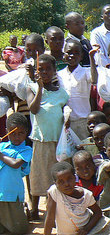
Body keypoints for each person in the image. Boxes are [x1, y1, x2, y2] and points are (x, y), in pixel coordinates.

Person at [26, 54, 69, 220]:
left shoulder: (62, 93)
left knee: (55, 176)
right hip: (41, 139)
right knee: (37, 175)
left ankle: (55, 210)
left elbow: (64, 111)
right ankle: (34, 209)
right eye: (40, 69)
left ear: (54, 71)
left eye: (48, 69)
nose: (44, 72)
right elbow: (34, 109)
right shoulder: (32, 88)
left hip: (57, 141)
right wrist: (40, 87)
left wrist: (67, 118)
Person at [44, 161, 110, 234]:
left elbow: (98, 212)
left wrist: (86, 229)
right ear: (55, 183)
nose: (66, 184)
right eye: (61, 181)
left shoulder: (86, 194)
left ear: (75, 178)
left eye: (69, 179)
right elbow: (50, 219)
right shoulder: (54, 192)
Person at [58, 40, 99, 140]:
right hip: (66, 121)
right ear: (64, 54)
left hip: (83, 120)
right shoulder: (59, 74)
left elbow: (94, 80)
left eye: (76, 53)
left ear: (81, 56)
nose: (72, 55)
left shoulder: (85, 72)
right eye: (69, 52)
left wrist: (92, 58)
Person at [0, 113, 32, 234]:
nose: (17, 137)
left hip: (13, 194)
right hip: (0, 193)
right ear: (6, 131)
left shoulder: (26, 150)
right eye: (13, 133)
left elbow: (15, 164)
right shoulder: (2, 146)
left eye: (21, 133)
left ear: (27, 132)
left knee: (19, 229)